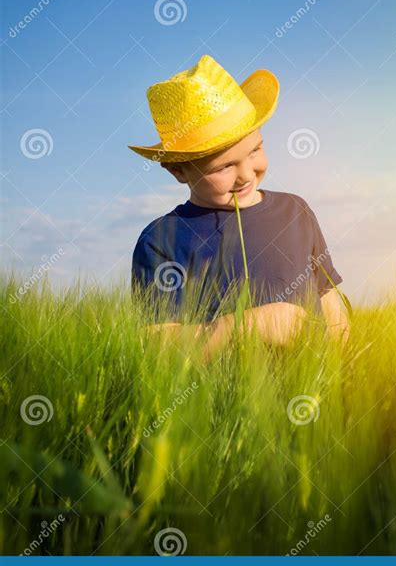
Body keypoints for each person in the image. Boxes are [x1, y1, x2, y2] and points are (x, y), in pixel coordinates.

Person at [129, 54, 350, 362]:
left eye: (256, 149)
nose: (247, 174)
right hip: (216, 404)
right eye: (224, 167)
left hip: (309, 395)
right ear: (177, 170)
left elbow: (327, 297)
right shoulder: (161, 240)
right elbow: (157, 346)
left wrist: (337, 360)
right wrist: (247, 326)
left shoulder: (295, 211)